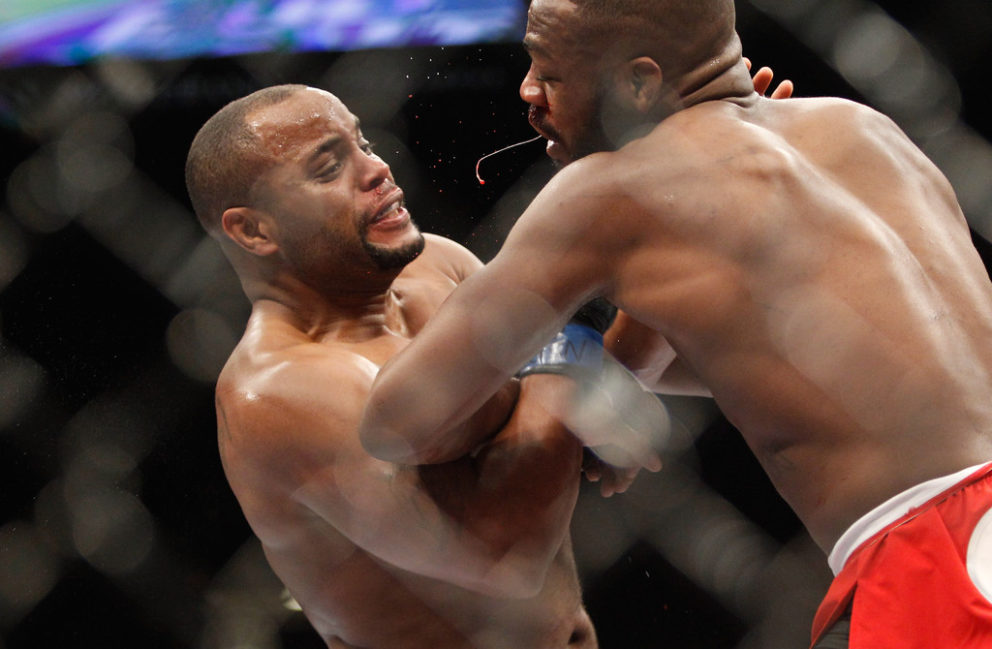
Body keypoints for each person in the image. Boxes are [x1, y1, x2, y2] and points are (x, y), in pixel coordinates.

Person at [357, 1, 992, 648]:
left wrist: (567, 337)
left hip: (940, 553)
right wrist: (609, 349)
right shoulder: (865, 128)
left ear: (638, 84)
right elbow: (757, 362)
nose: (527, 91)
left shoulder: (609, 191)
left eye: (549, 71)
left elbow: (397, 418)